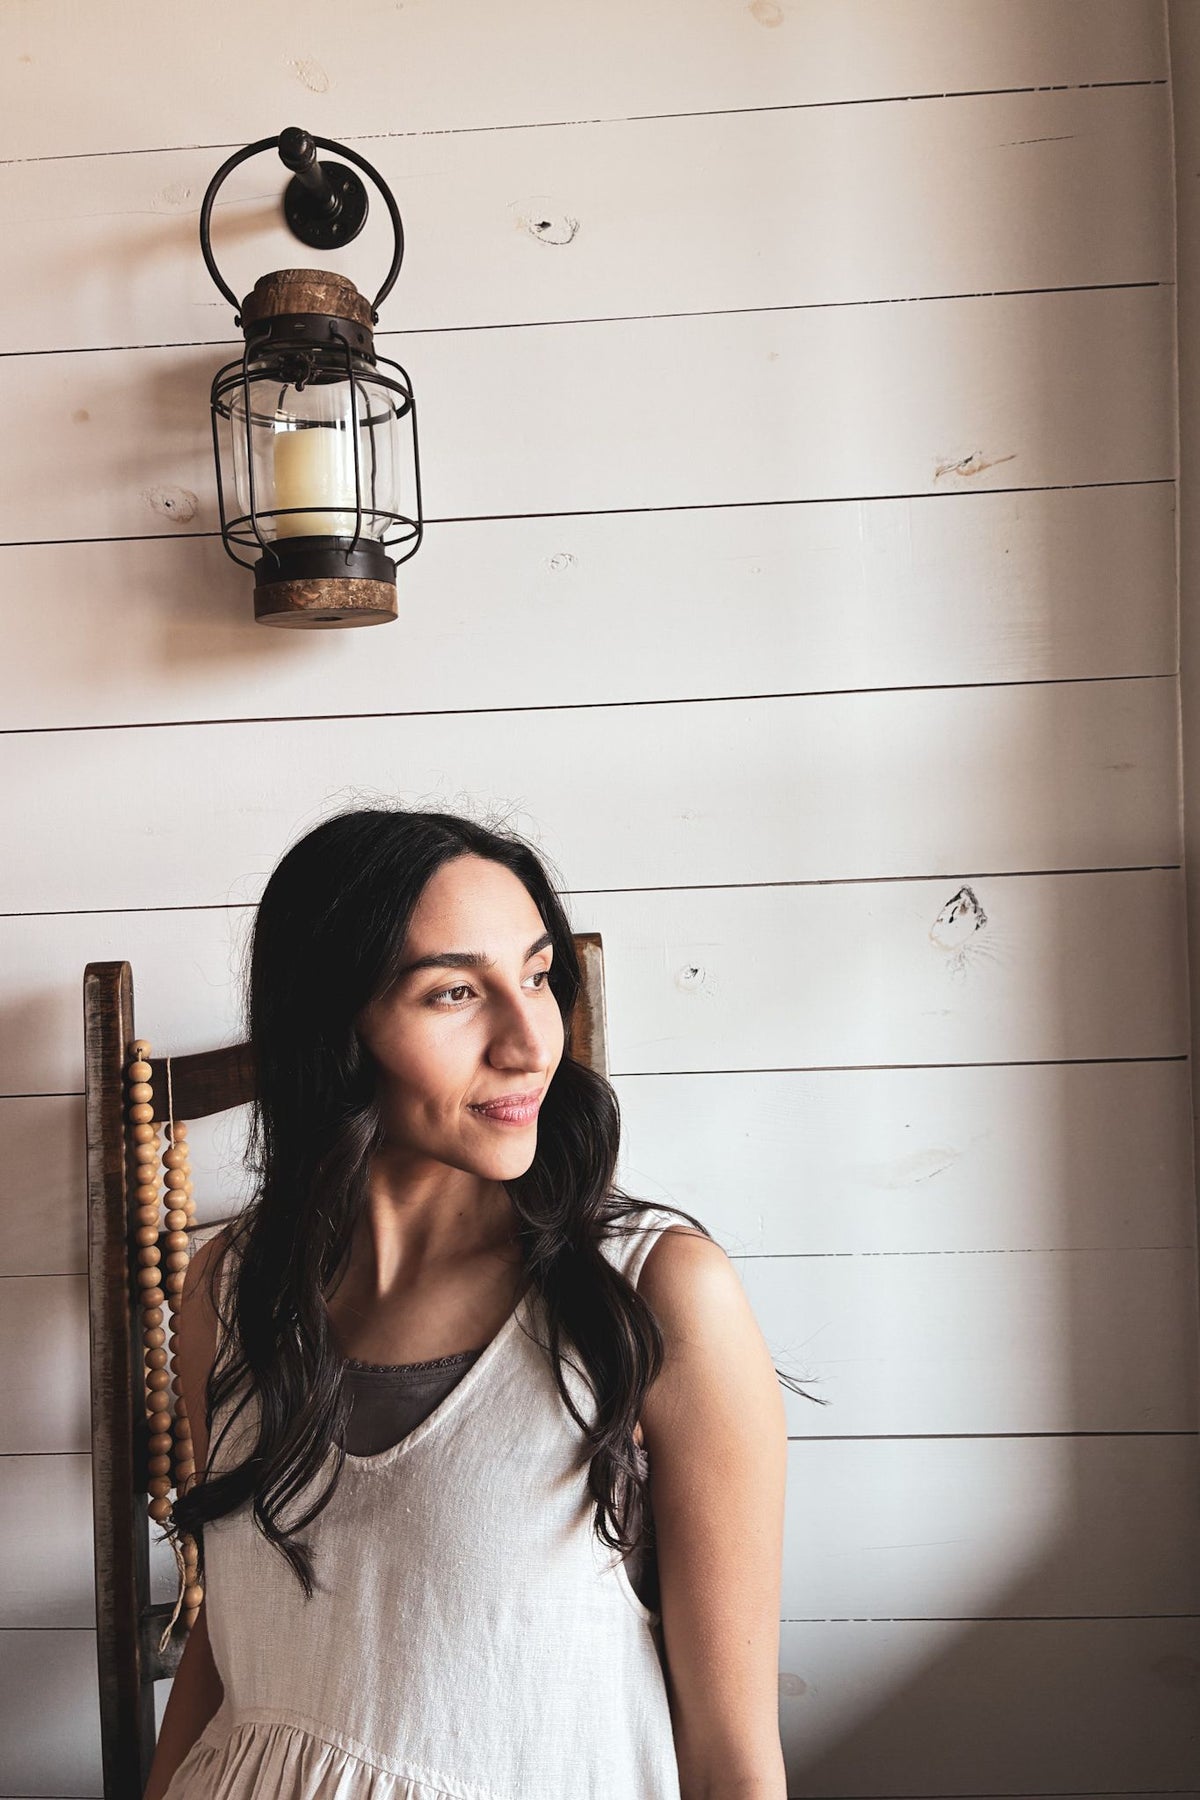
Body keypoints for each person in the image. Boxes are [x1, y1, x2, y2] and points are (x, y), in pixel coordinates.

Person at [144, 805, 792, 1800]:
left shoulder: (656, 1296)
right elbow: (231, 1645)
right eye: (454, 992)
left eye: (536, 977)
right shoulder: (233, 1290)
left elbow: (732, 1757)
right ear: (334, 1027)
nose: (531, 1042)